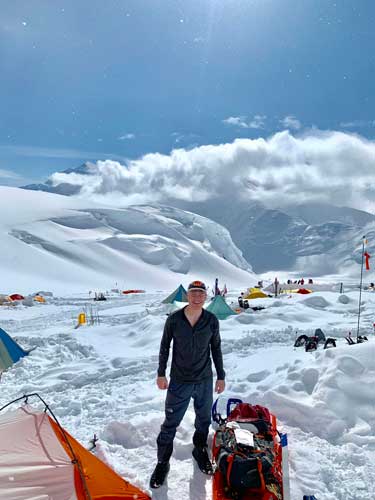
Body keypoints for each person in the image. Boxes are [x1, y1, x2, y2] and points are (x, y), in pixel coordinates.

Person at [150, 280, 226, 489]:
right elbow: (165, 346)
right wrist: (160, 373)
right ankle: (162, 463)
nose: (197, 297)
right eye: (193, 293)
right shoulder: (174, 320)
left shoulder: (211, 320)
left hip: (203, 380)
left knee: (203, 420)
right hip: (180, 381)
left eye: (201, 294)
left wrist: (221, 376)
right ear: (187, 296)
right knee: (170, 423)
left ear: (205, 297)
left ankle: (199, 449)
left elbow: (216, 349)